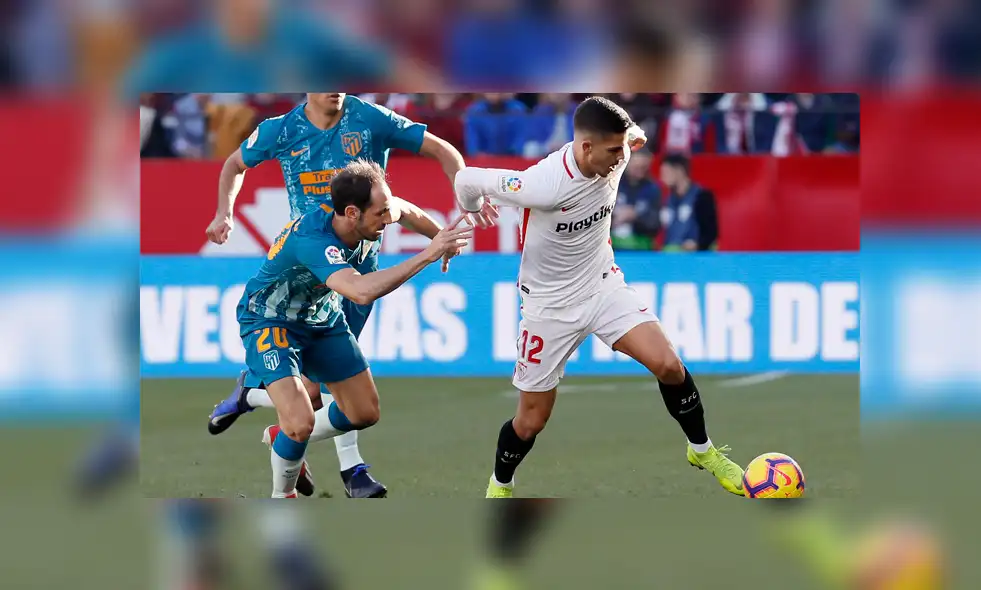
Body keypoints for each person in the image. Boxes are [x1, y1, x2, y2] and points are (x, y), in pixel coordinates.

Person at [453, 96, 744, 498]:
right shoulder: (542, 184)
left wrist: (631, 138)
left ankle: (703, 451)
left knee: (669, 365)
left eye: (623, 149)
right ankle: (501, 484)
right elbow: (465, 180)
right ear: (585, 147)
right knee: (530, 422)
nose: (621, 159)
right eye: (613, 151)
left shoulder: (618, 152)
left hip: (602, 285)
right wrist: (473, 209)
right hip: (548, 307)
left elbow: (633, 136)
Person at [205, 92, 466, 498]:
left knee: (356, 409)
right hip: (277, 313)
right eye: (380, 214)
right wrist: (224, 212)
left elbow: (405, 208)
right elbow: (360, 292)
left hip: (325, 305)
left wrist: (443, 237)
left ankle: (260, 405)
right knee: (302, 414)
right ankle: (312, 484)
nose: (387, 218)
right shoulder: (309, 218)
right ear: (350, 213)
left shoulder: (369, 139)